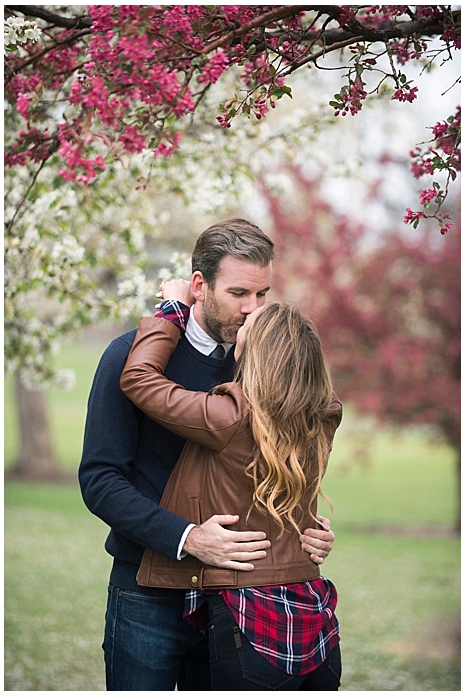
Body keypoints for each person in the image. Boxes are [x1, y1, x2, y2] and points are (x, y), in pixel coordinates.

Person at [78, 219, 336, 689]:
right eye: (239, 293)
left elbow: (283, 459)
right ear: (199, 286)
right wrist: (185, 537)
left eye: (262, 294)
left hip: (239, 600)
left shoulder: (271, 364)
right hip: (146, 592)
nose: (252, 309)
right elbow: (100, 480)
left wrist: (305, 526)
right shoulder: (129, 355)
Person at [122, 292, 343, 689]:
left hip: (248, 611)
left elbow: (139, 379)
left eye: (251, 327)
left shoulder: (230, 418)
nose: (247, 315)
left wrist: (171, 312)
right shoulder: (324, 417)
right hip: (309, 608)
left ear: (259, 355)